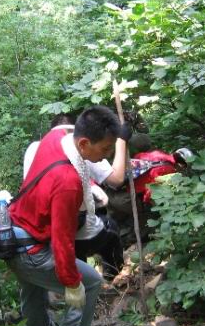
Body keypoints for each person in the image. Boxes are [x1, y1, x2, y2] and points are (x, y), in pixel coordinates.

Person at [7, 106, 123, 326]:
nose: (108, 154)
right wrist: (72, 283)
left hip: (14, 235)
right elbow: (62, 240)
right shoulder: (69, 182)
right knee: (90, 283)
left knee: (33, 288)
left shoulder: (55, 138)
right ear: (83, 144)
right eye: (105, 149)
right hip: (32, 250)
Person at [23, 113, 129, 280]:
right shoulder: (81, 148)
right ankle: (111, 277)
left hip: (35, 227)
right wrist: (122, 140)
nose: (107, 153)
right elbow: (116, 179)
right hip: (63, 229)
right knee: (110, 229)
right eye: (105, 149)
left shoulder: (37, 147)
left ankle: (79, 275)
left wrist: (90, 186)